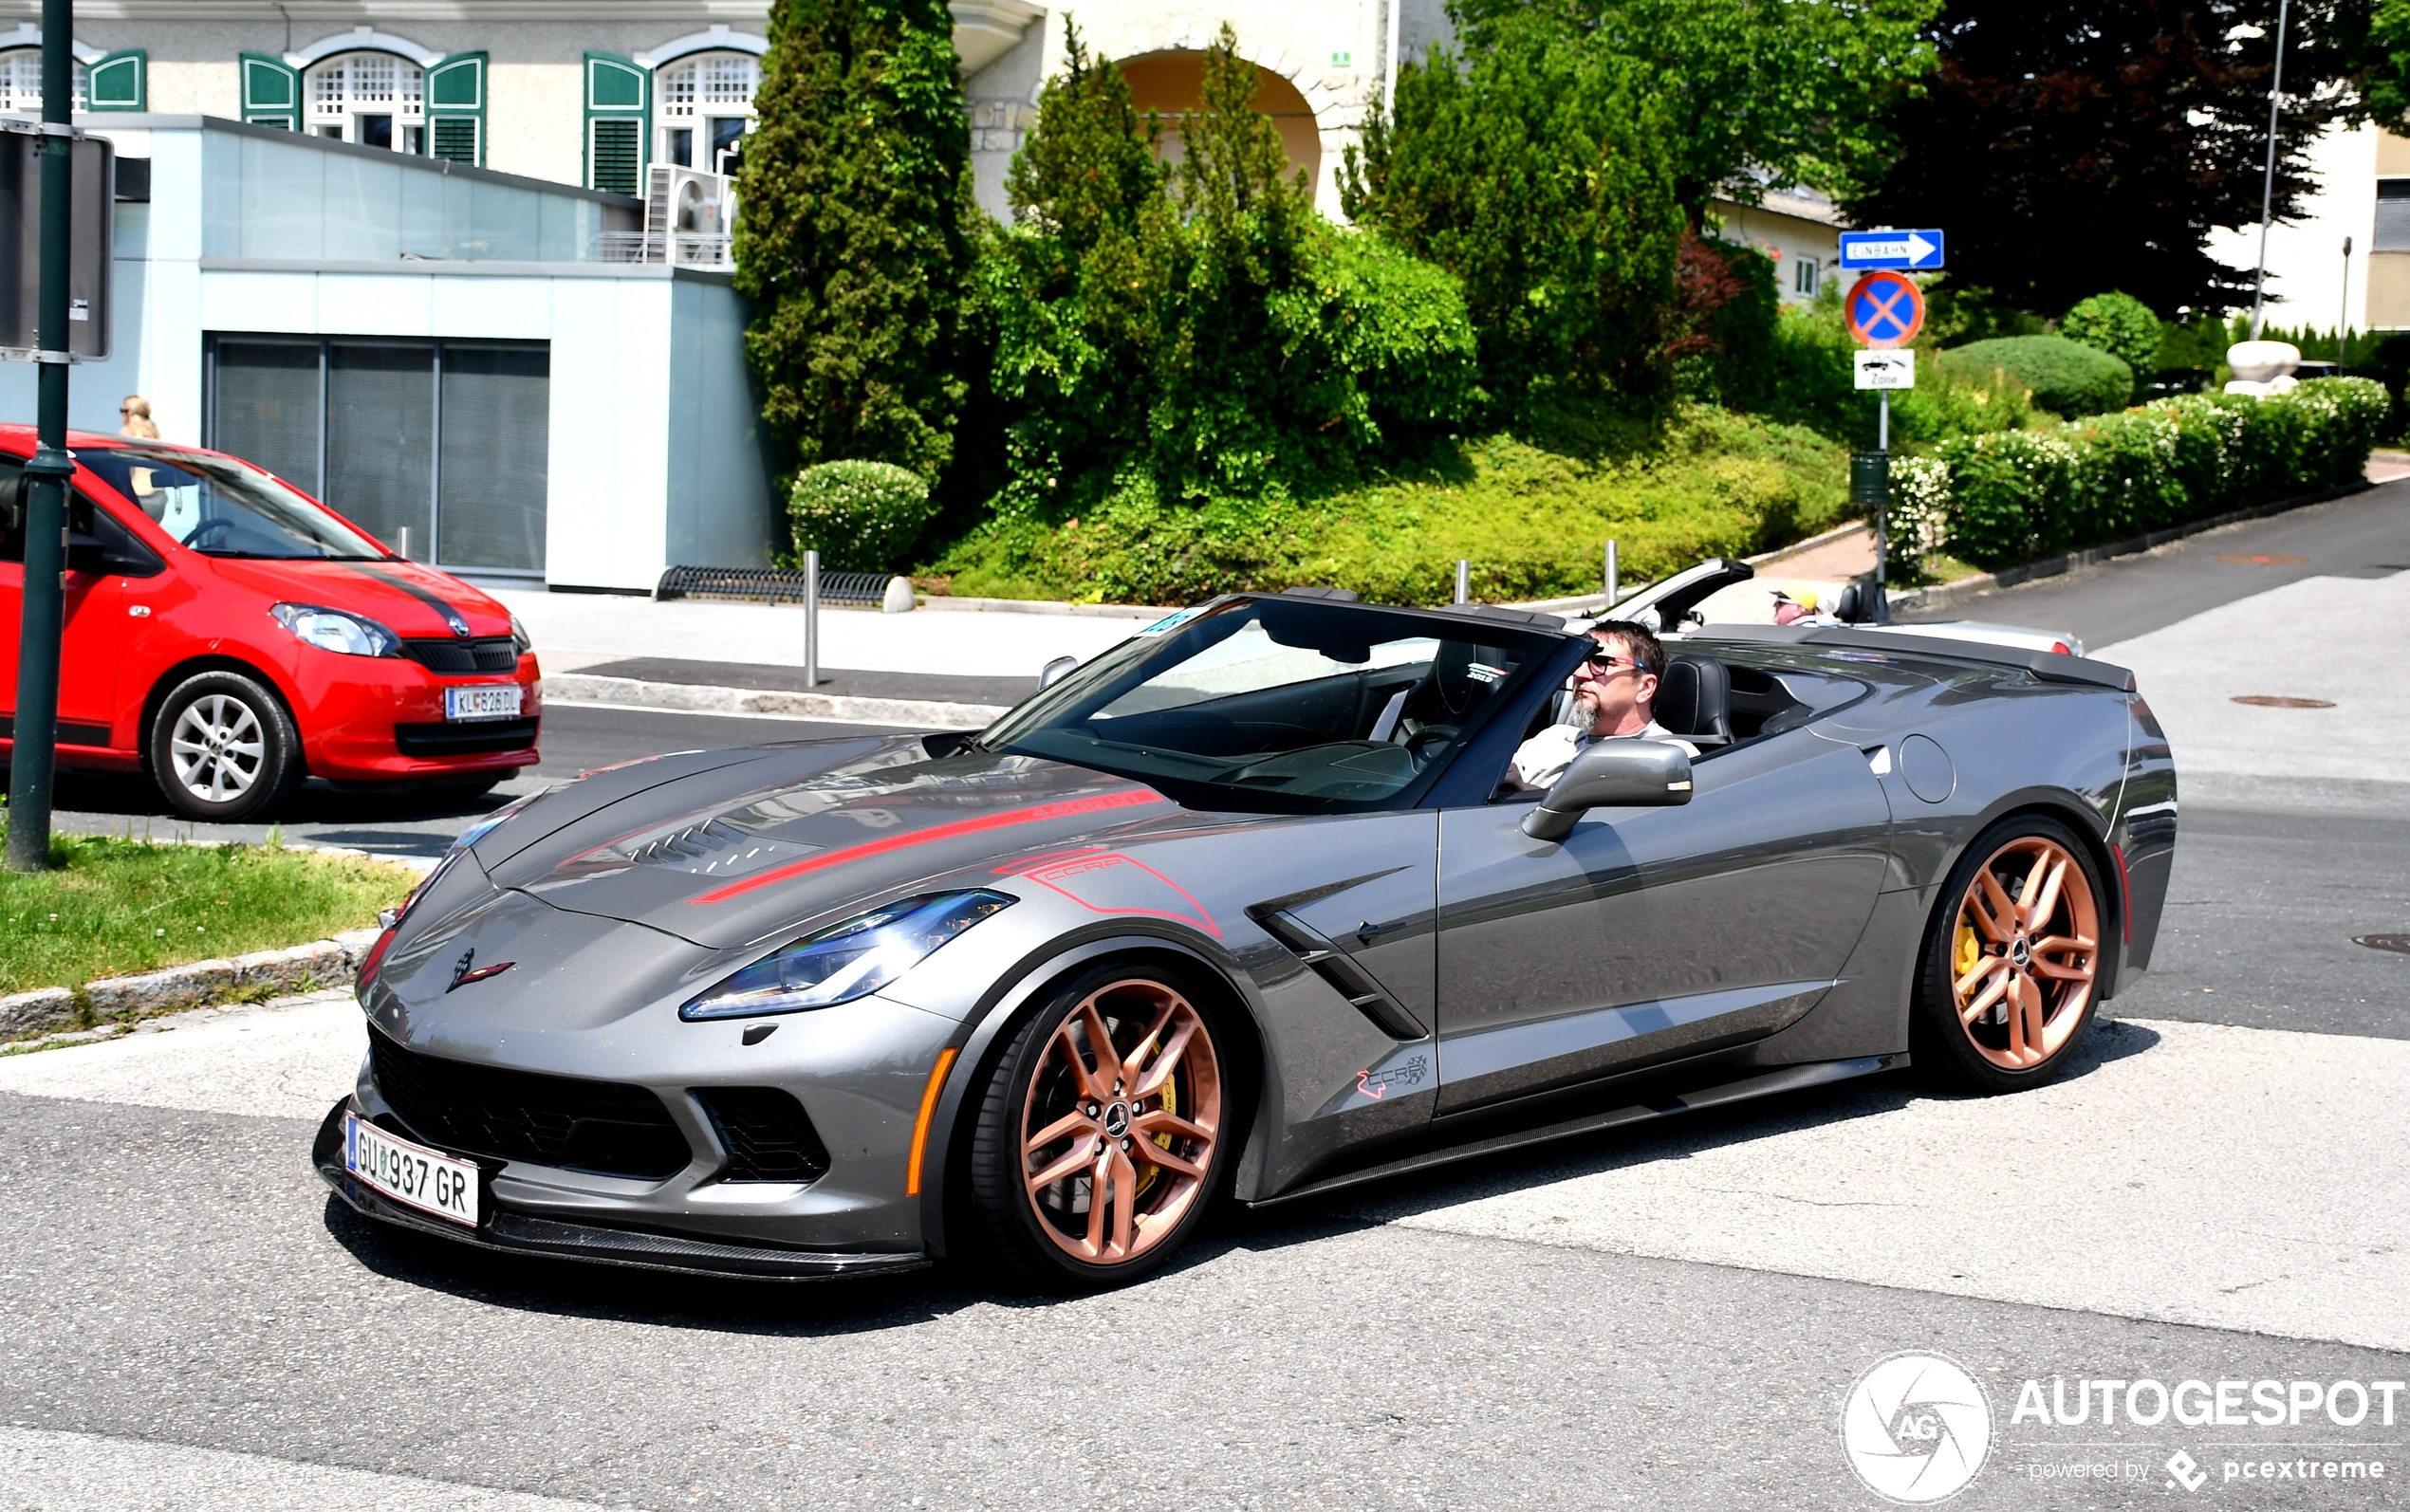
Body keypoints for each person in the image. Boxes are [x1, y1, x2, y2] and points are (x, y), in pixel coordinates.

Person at [1509, 619, 1697, 790]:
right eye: (1581, 660)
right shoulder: (1550, 739)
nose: (1580, 673)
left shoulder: (1671, 758)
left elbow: (1612, 822)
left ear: (1645, 687)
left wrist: (1522, 788)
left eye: (1601, 662)